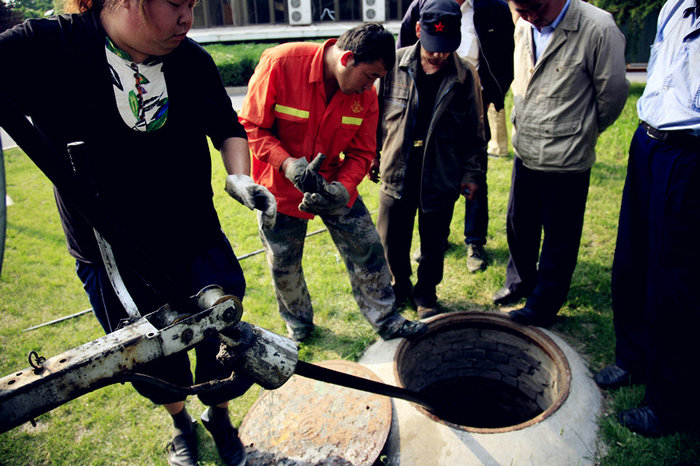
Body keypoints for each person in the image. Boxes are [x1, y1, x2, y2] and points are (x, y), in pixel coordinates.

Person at [0, 0, 278, 464]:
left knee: (223, 341)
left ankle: (219, 416)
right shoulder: (48, 47)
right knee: (152, 360)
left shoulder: (191, 59)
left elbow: (225, 126)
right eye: (175, 3)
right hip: (113, 260)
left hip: (197, 241)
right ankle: (181, 423)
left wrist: (239, 177)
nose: (187, 18)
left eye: (193, 4)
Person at [238, 23, 427, 344]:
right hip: (279, 185)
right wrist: (287, 164)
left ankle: (387, 319)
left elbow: (362, 152)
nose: (371, 86)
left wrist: (342, 189)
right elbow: (251, 127)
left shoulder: (364, 94)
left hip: (332, 182)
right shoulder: (280, 63)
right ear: (347, 58)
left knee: (367, 246)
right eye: (370, 76)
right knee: (284, 261)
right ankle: (299, 326)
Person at [594, 0, 700, 437]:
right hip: (648, 142)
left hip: (689, 154)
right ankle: (632, 359)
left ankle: (668, 402)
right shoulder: (676, 6)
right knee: (632, 259)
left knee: (672, 279)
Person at [492, 0, 629, 326]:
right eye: (521, 11)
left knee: (560, 237)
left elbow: (612, 94)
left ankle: (544, 304)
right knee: (519, 224)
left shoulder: (598, 28)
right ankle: (521, 281)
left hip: (567, 158)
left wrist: (585, 129)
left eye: (535, 9)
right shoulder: (524, 25)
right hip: (526, 149)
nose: (529, 18)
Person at [373, 0, 486, 319]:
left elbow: (476, 132)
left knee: (434, 242)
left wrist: (472, 174)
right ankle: (398, 288)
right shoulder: (392, 65)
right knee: (392, 240)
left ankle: (426, 293)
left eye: (447, 47)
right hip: (397, 169)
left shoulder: (466, 75)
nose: (439, 55)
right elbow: (372, 116)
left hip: (441, 173)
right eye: (434, 46)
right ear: (418, 30)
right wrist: (371, 155)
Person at [396, 0, 514, 273]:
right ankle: (437, 237)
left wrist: (490, 96)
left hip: (472, 99)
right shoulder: (422, 6)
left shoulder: (493, 8)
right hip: (430, 102)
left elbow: (505, 56)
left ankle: (475, 241)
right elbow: (403, 50)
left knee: (474, 172)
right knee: (432, 175)